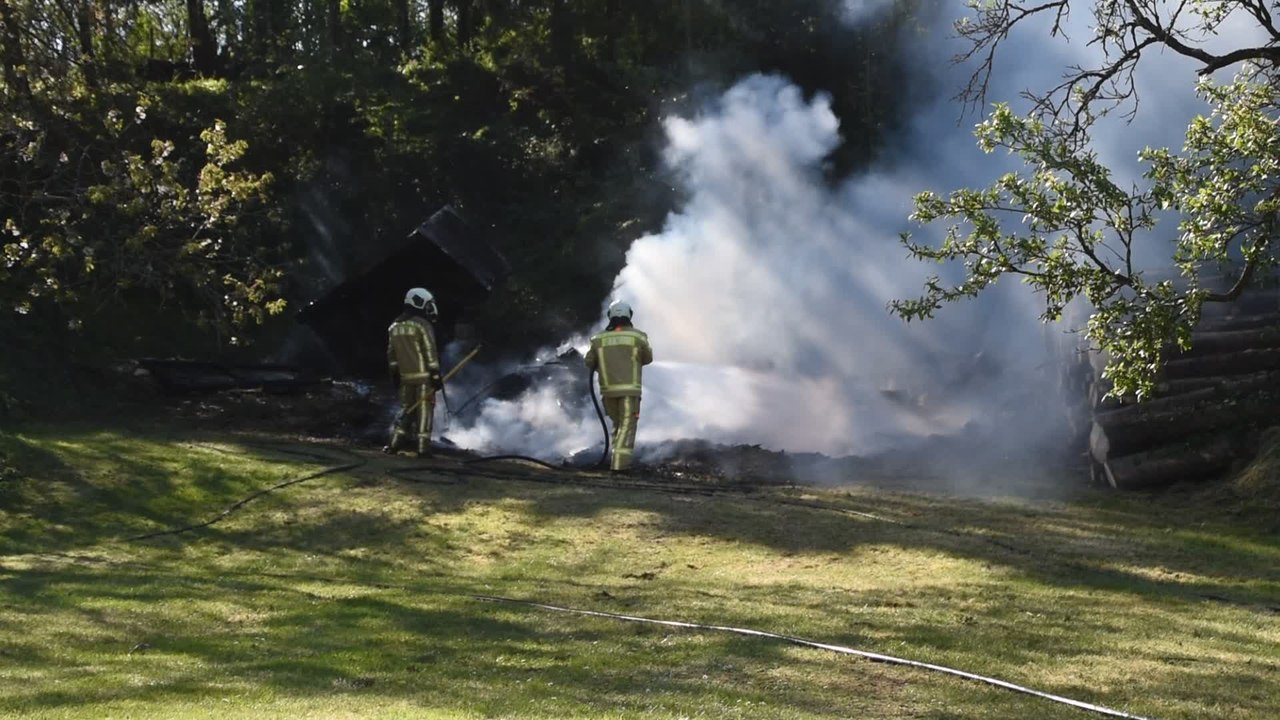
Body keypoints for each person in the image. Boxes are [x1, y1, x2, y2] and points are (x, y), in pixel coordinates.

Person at [584, 300, 654, 472]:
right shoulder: (638, 337)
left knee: (618, 426)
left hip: (608, 392)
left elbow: (589, 362)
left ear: (610, 316)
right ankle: (619, 467)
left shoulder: (598, 339)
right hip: (630, 391)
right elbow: (647, 358)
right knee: (627, 427)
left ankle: (616, 461)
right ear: (629, 315)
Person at [384, 287, 442, 457]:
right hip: (424, 379)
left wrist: (395, 374)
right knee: (425, 411)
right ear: (420, 302)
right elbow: (430, 352)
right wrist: (435, 375)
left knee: (405, 411)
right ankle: (423, 449)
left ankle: (393, 445)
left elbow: (391, 354)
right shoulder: (422, 325)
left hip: (405, 379)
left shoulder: (394, 326)